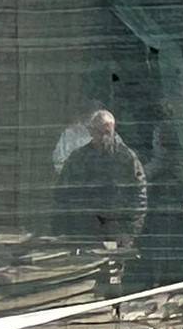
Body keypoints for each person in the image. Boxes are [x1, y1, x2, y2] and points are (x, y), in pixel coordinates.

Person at [52, 103, 149, 277]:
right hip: (84, 232)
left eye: (107, 133)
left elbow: (139, 197)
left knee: (113, 279)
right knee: (82, 277)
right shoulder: (78, 159)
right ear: (91, 131)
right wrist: (64, 231)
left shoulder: (126, 159)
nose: (103, 137)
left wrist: (130, 232)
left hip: (115, 231)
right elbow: (62, 194)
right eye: (99, 132)